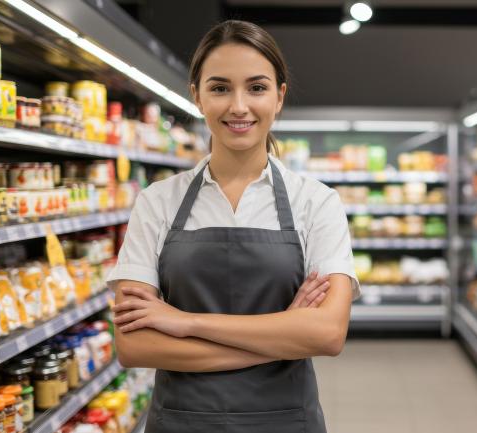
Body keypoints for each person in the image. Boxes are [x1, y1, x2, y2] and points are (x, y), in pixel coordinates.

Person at [108, 19, 360, 433]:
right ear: (197, 96)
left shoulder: (316, 202)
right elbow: (134, 345)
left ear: (279, 97)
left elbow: (328, 334)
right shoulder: (157, 202)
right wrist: (282, 334)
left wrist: (186, 322)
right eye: (220, 88)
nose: (238, 106)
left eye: (257, 88)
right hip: (181, 423)